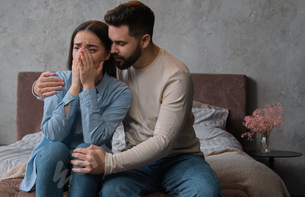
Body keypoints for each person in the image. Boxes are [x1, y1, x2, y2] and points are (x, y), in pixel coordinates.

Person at [33, 1, 224, 196]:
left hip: (179, 158)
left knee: (207, 192)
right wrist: (37, 89)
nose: (113, 49)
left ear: (144, 40)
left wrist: (109, 163)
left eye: (121, 43)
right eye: (111, 42)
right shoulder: (119, 63)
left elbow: (163, 141)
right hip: (134, 157)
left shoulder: (175, 75)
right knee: (110, 193)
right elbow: (81, 74)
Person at [20, 20, 133, 197]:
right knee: (55, 148)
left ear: (107, 54)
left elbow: (94, 138)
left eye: (92, 49)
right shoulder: (57, 80)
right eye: (77, 47)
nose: (81, 55)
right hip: (53, 163)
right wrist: (74, 88)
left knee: (87, 148)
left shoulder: (120, 92)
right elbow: (54, 135)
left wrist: (88, 87)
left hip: (89, 166)